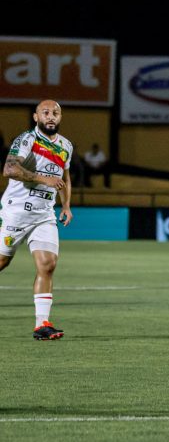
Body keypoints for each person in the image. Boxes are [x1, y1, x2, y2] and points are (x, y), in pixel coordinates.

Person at [0, 100, 74, 340]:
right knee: (2, 262)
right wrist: (44, 179)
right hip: (17, 211)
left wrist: (65, 204)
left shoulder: (66, 146)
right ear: (36, 117)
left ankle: (42, 324)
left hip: (44, 214)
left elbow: (64, 176)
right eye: (45, 112)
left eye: (55, 113)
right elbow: (10, 170)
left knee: (48, 265)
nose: (50, 116)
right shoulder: (27, 140)